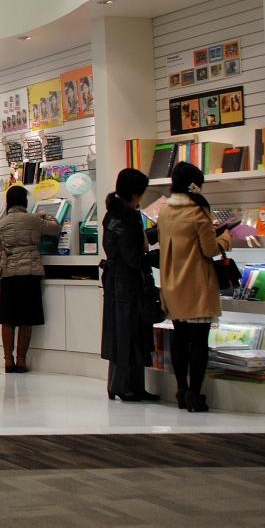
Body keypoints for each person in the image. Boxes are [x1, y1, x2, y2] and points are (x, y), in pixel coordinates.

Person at [157, 162, 232, 413]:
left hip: (171, 282)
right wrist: (225, 238)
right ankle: (195, 395)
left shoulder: (165, 210)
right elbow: (209, 250)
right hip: (196, 283)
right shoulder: (198, 210)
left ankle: (181, 390)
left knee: (179, 339)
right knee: (199, 342)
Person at [100, 168, 160, 402]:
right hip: (129, 284)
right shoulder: (129, 217)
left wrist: (154, 234)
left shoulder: (112, 213)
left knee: (121, 333)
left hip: (115, 282)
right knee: (131, 334)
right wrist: (158, 257)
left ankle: (121, 385)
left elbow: (127, 244)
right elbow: (133, 255)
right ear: (135, 194)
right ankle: (127, 386)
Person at [0, 185, 59, 373]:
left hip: (9, 274)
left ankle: (8, 361)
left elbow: (0, 247)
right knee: (26, 319)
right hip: (30, 274)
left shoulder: (2, 223)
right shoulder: (33, 219)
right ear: (25, 201)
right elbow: (55, 228)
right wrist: (45, 215)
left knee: (7, 319)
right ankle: (21, 360)